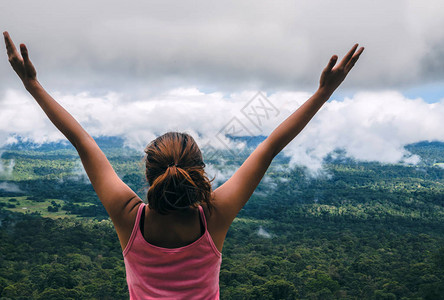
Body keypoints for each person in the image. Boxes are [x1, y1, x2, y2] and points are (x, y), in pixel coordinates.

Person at [3, 31, 364, 299]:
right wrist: (323, 93)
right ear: (199, 174)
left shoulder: (130, 218)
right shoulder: (214, 216)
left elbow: (83, 142)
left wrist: (32, 84)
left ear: (148, 174)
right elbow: (269, 146)